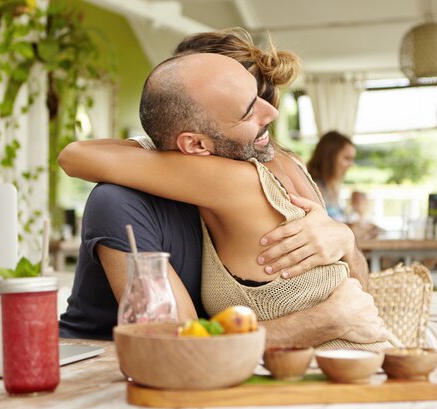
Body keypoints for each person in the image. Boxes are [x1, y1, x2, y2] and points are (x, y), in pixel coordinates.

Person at [59, 52, 392, 349]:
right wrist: (326, 319)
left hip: (345, 371)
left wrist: (345, 237)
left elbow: (76, 156)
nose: (273, 112)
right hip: (104, 363)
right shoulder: (224, 181)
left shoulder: (249, 175)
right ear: (195, 144)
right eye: (246, 111)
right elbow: (181, 347)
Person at [307, 131, 356, 222]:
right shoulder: (312, 188)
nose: (351, 165)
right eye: (346, 158)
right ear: (329, 157)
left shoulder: (332, 186)